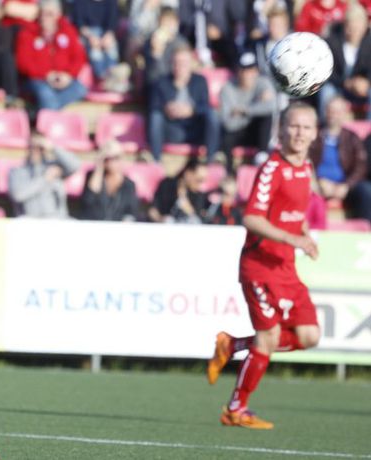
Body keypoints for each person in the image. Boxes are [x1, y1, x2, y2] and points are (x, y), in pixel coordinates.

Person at [207, 102, 321, 429]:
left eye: (306, 127)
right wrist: (293, 238)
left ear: (315, 133)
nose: (299, 133)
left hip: (285, 266)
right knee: (268, 337)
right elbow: (252, 218)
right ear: (281, 130)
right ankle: (235, 409)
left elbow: (291, 213)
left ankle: (234, 345)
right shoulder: (272, 168)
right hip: (259, 267)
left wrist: (304, 234)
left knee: (309, 336)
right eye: (293, 126)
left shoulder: (306, 167)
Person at [147, 43, 219, 162]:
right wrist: (167, 109)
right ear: (171, 63)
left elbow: (205, 106)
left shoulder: (200, 81)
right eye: (177, 62)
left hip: (195, 129)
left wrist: (191, 110)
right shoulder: (161, 82)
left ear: (191, 63)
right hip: (172, 130)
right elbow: (153, 106)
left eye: (184, 62)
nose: (180, 66)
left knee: (212, 114)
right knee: (155, 116)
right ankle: (156, 160)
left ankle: (211, 160)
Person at [15, 0, 88, 110]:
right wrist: (46, 74)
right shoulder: (28, 33)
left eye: (49, 14)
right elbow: (23, 62)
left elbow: (79, 57)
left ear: (58, 14)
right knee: (46, 94)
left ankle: (42, 111)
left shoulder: (68, 31)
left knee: (80, 89)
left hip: (63, 79)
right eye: (42, 13)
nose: (44, 18)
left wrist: (68, 75)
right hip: (37, 80)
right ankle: (49, 114)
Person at [309, 96, 371, 223]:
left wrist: (346, 185)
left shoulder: (352, 138)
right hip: (318, 184)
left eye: (337, 111)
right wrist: (317, 181)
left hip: (345, 186)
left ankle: (365, 230)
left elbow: (361, 166)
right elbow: (305, 160)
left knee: (366, 191)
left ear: (344, 114)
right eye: (330, 110)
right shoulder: (313, 136)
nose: (333, 115)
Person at [219, 52, 276, 172]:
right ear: (238, 71)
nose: (248, 74)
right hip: (236, 132)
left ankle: (262, 156)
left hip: (255, 131)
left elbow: (271, 107)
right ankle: (229, 172)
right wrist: (257, 106)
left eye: (251, 70)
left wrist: (243, 111)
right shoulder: (228, 88)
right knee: (226, 138)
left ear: (256, 71)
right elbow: (228, 123)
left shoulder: (263, 83)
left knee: (266, 117)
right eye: (244, 70)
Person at [317, 4, 371, 121]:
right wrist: (345, 83)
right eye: (351, 26)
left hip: (362, 88)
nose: (354, 31)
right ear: (345, 26)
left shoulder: (369, 43)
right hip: (338, 85)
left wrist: (367, 82)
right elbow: (326, 71)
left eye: (358, 27)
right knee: (326, 90)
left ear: (365, 26)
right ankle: (325, 124)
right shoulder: (332, 42)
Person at [8, 133, 80, 218]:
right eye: (32, 146)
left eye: (40, 147)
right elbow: (17, 195)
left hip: (57, 219)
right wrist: (44, 179)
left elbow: (75, 165)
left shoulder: (55, 166)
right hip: (30, 220)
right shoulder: (17, 172)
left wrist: (53, 148)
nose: (36, 150)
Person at [80, 140, 140, 221]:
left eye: (117, 157)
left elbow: (131, 212)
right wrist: (99, 168)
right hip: (94, 224)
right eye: (108, 158)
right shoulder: (92, 176)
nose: (112, 161)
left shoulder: (129, 184)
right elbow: (87, 202)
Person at [149, 155, 209, 223]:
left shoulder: (200, 194)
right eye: (199, 180)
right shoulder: (167, 184)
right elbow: (153, 210)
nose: (201, 184)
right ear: (188, 173)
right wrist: (161, 220)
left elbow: (198, 218)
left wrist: (184, 201)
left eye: (204, 180)